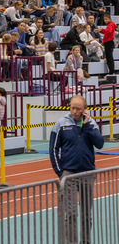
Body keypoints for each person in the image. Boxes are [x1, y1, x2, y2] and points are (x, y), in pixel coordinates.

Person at [50, 94, 105, 243]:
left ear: (85, 111)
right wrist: (60, 172)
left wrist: (87, 125)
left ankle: (85, 241)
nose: (74, 111)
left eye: (78, 109)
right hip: (69, 175)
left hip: (88, 173)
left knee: (87, 213)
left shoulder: (91, 124)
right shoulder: (61, 124)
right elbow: (53, 149)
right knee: (71, 214)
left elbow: (100, 144)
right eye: (72, 108)